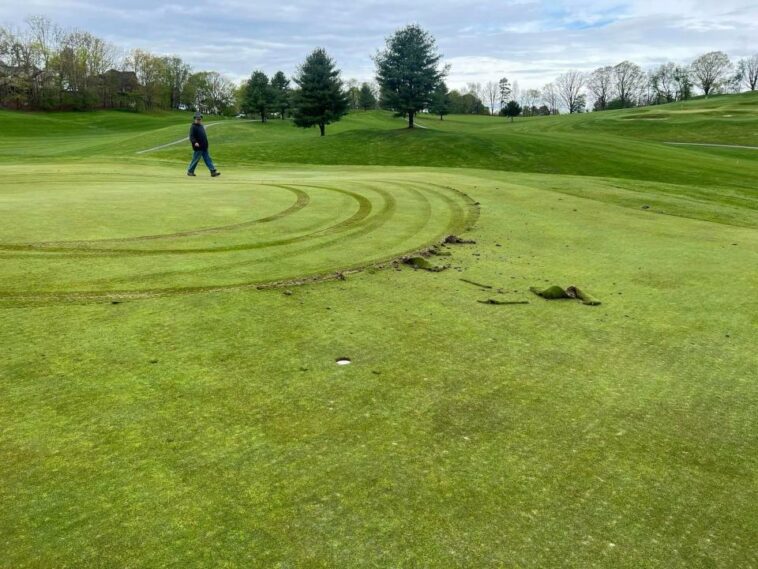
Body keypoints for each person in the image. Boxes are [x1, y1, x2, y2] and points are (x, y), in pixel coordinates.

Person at [187, 112, 220, 177]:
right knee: (195, 160)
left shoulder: (201, 126)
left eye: (200, 119)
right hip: (198, 147)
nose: (199, 120)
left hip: (204, 147)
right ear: (195, 119)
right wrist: (195, 142)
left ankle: (213, 171)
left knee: (208, 159)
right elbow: (191, 137)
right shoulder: (193, 127)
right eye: (197, 119)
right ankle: (190, 171)